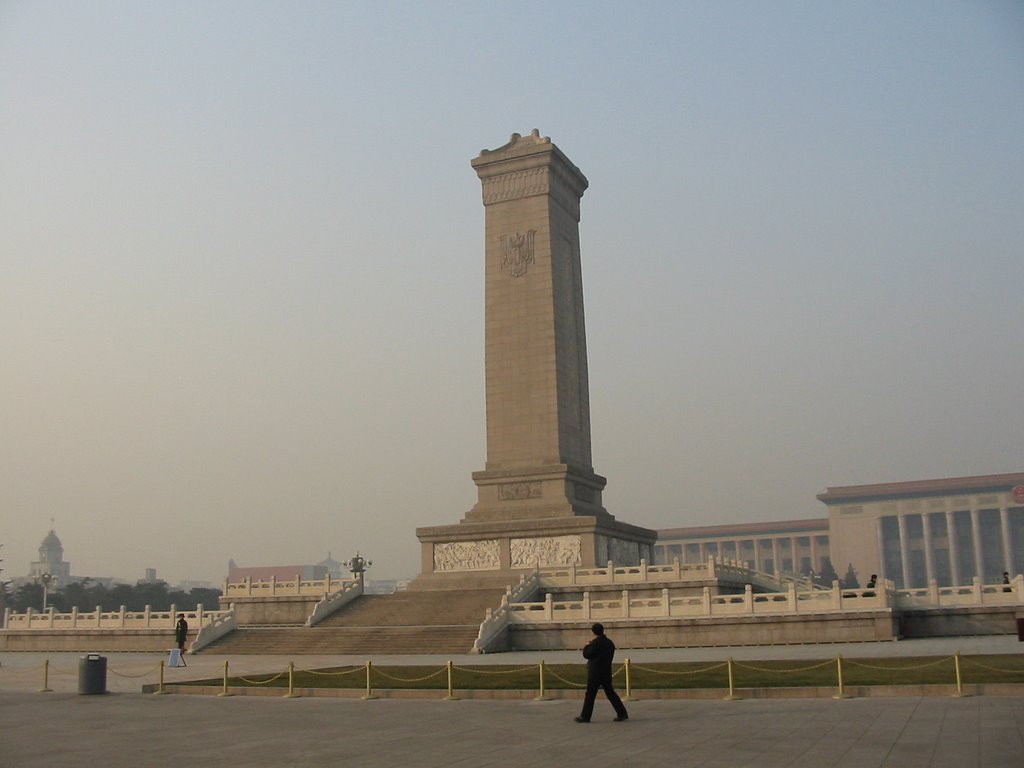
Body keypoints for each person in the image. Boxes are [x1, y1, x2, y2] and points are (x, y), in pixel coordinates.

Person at [575, 623, 629, 723]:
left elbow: (587, 654)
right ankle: (622, 713)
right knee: (611, 693)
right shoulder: (609, 643)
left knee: (590, 695)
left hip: (595, 673)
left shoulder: (595, 643)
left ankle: (585, 716)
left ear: (593, 632)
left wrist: (587, 646)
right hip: (606, 672)